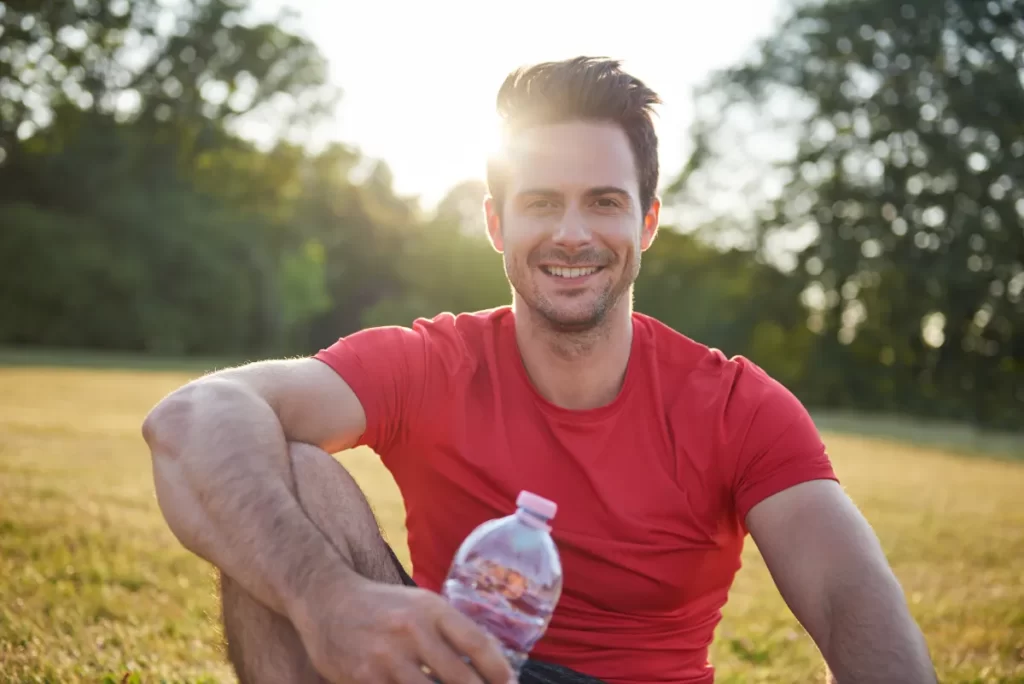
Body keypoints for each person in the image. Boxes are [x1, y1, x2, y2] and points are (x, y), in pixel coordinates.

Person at [142, 57, 937, 684]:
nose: (571, 233)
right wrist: (326, 600)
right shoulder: (434, 363)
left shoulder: (734, 405)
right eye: (540, 203)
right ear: (496, 222)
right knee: (290, 474)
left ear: (647, 221)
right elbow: (191, 421)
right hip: (456, 666)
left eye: (603, 202)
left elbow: (846, 598)